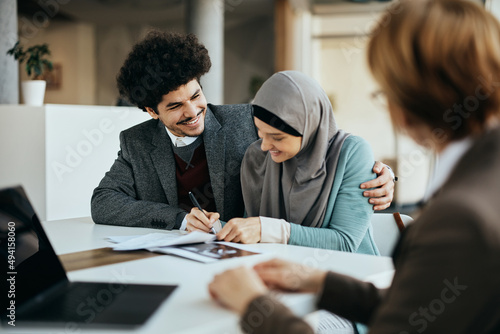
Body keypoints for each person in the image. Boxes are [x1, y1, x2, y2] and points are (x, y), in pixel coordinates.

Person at [208, 0, 500, 333]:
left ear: (404, 104)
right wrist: (322, 283)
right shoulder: (483, 180)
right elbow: (417, 306)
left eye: (384, 92)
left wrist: (253, 305)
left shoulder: (461, 216)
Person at [91, 31, 395, 232]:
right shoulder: (137, 142)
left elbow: (317, 138)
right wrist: (179, 219)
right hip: (175, 258)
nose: (193, 111)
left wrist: (381, 175)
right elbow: (103, 202)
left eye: (196, 96)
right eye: (175, 107)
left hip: (247, 255)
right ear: (151, 111)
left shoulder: (246, 121)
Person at [197, 71, 380, 258]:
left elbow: (345, 242)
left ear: (308, 126)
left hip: (348, 276)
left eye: (277, 137)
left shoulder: (352, 154)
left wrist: (271, 229)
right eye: (260, 131)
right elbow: (252, 230)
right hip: (280, 273)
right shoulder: (257, 156)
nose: (266, 145)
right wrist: (217, 227)